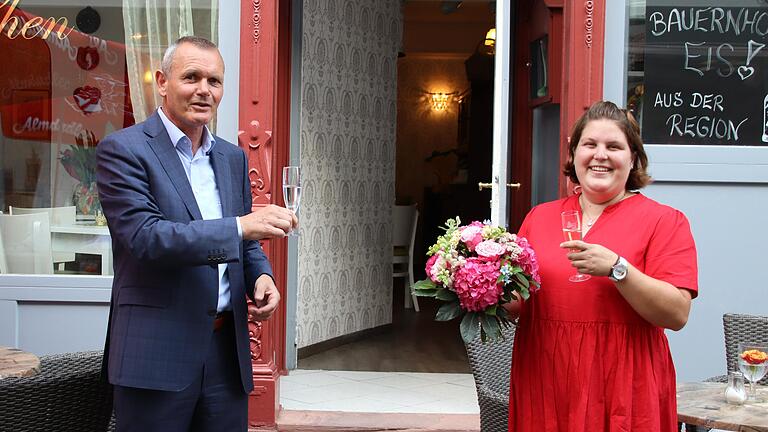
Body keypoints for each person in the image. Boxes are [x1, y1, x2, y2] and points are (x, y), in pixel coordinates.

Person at [96, 36, 298, 432]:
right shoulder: (123, 150)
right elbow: (146, 238)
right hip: (156, 354)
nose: (204, 90)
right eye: (192, 77)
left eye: (215, 81)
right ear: (162, 81)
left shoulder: (231, 156)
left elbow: (246, 241)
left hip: (226, 352)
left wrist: (261, 276)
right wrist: (241, 226)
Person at [506, 101, 698, 431]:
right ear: (574, 153)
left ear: (633, 157)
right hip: (546, 379)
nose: (600, 155)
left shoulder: (664, 222)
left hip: (624, 382)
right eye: (590, 144)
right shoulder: (539, 217)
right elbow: (519, 303)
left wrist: (618, 269)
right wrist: (479, 286)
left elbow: (676, 314)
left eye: (614, 147)